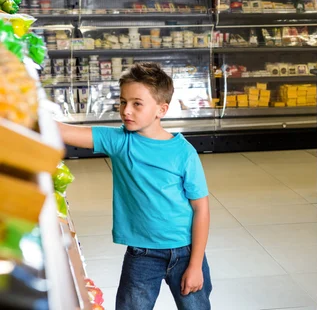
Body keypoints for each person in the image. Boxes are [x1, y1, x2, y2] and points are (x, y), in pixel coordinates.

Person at [58, 62, 211, 310]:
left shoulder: (184, 153)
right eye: (122, 102)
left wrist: (195, 265)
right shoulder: (119, 141)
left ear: (161, 109)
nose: (126, 110)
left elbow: (201, 208)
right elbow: (62, 131)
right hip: (142, 255)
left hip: (185, 251)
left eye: (137, 103)